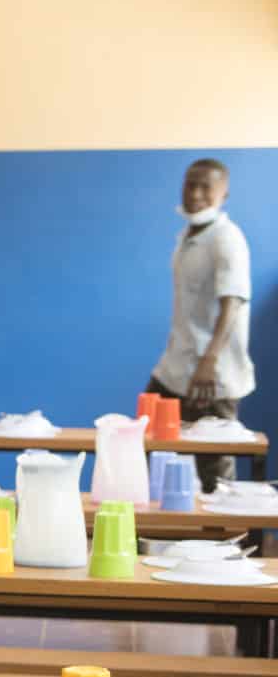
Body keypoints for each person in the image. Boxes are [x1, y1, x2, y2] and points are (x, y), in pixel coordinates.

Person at [148, 158, 252, 491]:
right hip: (176, 366)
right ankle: (165, 534)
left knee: (213, 467)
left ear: (224, 193)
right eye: (189, 184)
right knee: (151, 443)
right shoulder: (188, 235)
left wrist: (209, 361)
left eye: (205, 186)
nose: (195, 193)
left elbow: (232, 302)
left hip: (210, 375)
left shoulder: (227, 238)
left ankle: (225, 539)